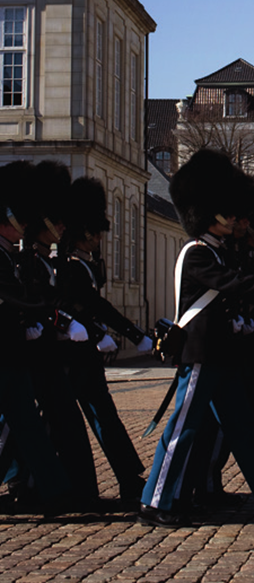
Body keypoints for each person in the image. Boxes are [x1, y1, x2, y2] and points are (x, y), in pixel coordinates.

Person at [138, 149, 254, 528]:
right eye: (229, 212)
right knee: (182, 429)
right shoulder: (196, 253)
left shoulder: (219, 252)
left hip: (223, 354)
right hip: (201, 353)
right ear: (210, 213)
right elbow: (231, 285)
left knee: (245, 430)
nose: (237, 219)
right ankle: (156, 502)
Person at [57, 176, 152, 505]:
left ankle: (126, 477)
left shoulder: (81, 265)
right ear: (86, 234)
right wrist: (112, 333)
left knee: (104, 418)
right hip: (71, 358)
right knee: (76, 423)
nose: (100, 240)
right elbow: (88, 307)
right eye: (96, 234)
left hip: (84, 357)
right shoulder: (70, 267)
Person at [15, 161, 101, 509]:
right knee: (18, 427)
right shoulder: (24, 262)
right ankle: (28, 484)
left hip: (47, 351)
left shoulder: (46, 262)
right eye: (56, 219)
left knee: (56, 422)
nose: (62, 225)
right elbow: (28, 302)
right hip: (26, 352)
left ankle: (67, 489)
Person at [0, 161, 73, 514]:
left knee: (24, 423)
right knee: (18, 424)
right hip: (5, 350)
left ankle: (54, 490)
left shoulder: (8, 253)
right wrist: (46, 314)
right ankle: (49, 488)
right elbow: (14, 296)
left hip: (12, 350)